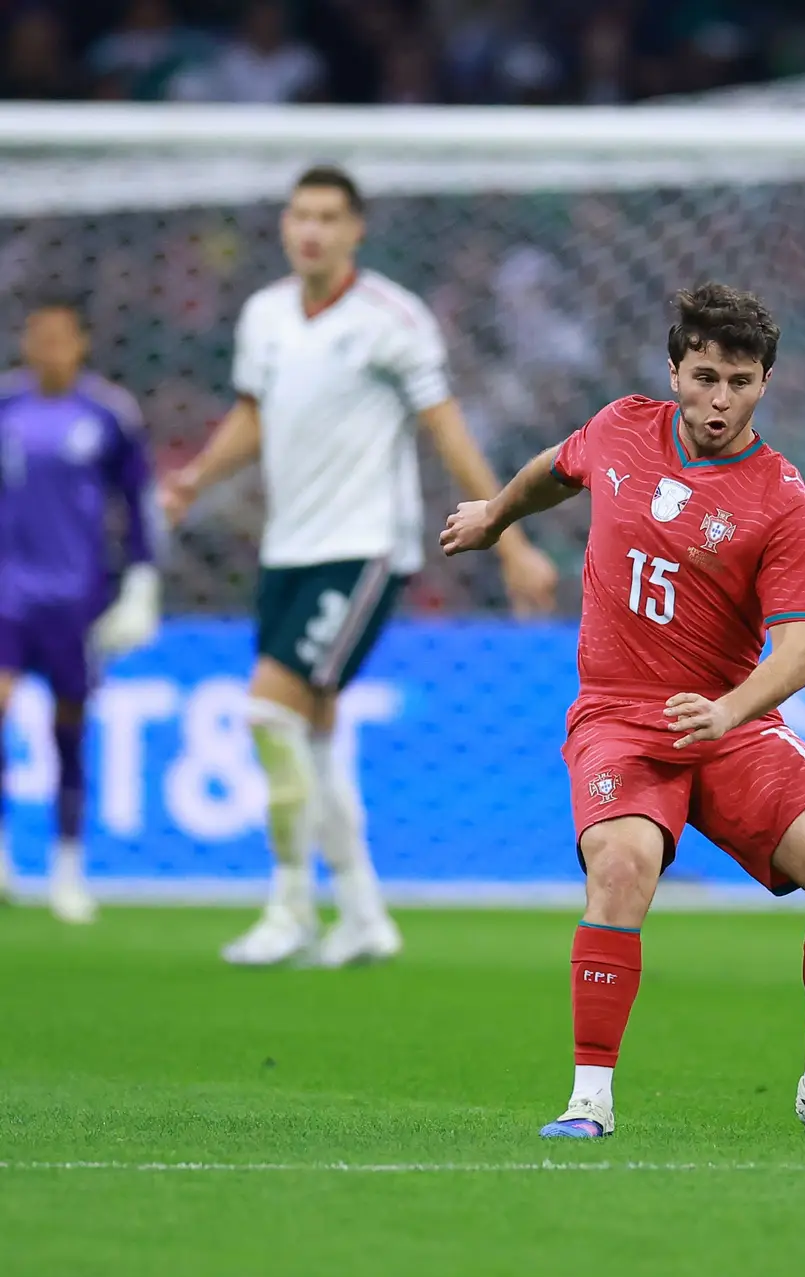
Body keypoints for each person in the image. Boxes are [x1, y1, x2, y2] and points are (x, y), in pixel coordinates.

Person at [440, 283, 805, 1141]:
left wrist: (730, 712)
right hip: (620, 715)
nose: (719, 400)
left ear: (766, 382)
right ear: (673, 372)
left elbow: (799, 652)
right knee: (621, 865)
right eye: (704, 378)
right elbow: (556, 468)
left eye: (739, 381)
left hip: (731, 720)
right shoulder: (621, 426)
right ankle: (589, 1098)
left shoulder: (783, 501)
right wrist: (496, 515)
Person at [160, 165, 556, 968]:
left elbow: (447, 432)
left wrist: (509, 537)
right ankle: (366, 913)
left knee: (270, 714)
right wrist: (199, 476)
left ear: (356, 230)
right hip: (289, 549)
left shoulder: (392, 319)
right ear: (284, 225)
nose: (312, 229)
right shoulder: (265, 315)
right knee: (313, 728)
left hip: (365, 547)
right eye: (300, 215)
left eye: (328, 217)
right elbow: (253, 415)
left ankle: (290, 906)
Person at [0, 298, 162, 923]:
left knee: (68, 728)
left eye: (60, 336)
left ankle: (67, 868)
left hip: (76, 597)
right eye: (38, 335)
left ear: (81, 343)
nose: (49, 347)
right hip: (8, 594)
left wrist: (142, 582)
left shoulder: (108, 414)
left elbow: (137, 499)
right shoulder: (7, 409)